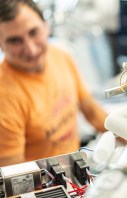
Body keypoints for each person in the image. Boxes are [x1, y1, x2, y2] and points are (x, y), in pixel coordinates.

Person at [0, 0, 109, 166]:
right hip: (44, 186)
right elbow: (17, 179)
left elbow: (92, 112)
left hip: (75, 170)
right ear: (1, 45)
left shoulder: (60, 55)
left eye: (33, 32)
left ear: (46, 26)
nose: (31, 50)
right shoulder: (5, 98)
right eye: (15, 41)